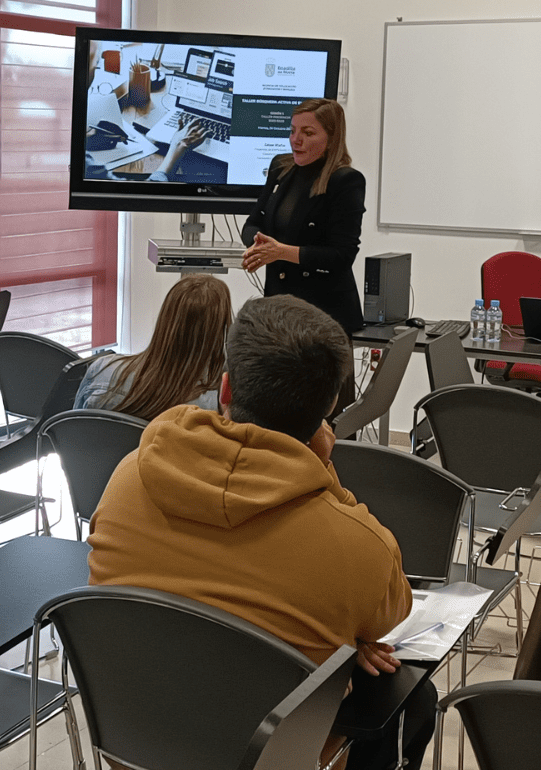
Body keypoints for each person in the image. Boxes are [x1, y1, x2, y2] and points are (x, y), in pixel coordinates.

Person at [87, 295, 432, 770]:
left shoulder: (127, 479)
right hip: (269, 758)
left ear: (225, 389)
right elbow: (390, 615)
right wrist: (324, 473)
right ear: (329, 407)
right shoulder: (357, 547)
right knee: (415, 697)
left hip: (135, 745)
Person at [240, 98, 365, 415]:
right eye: (293, 130)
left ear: (331, 137)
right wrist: (258, 244)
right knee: (277, 409)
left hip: (324, 316)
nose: (296, 140)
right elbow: (253, 221)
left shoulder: (345, 181)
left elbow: (341, 255)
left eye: (308, 132)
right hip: (278, 311)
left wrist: (280, 252)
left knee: (325, 415)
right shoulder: (281, 168)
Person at [73, 274, 230, 420]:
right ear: (221, 333)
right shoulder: (216, 409)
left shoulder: (102, 371)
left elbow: (71, 434)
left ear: (165, 320)